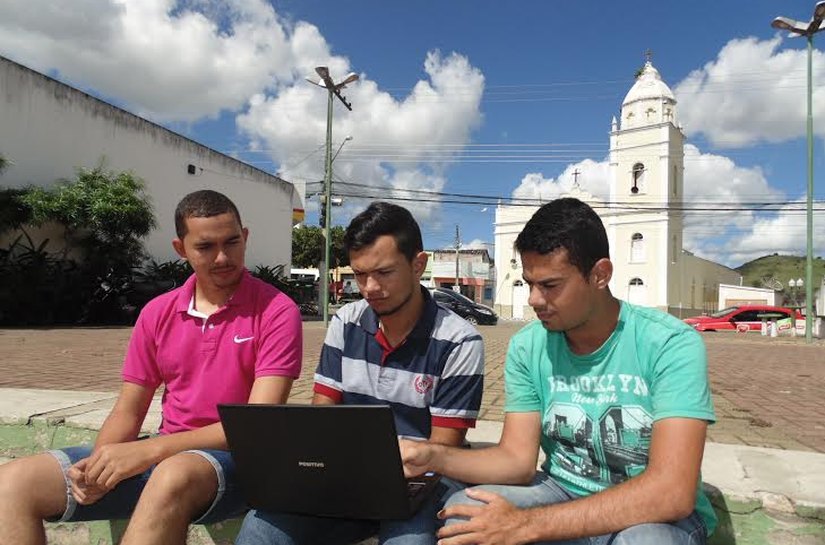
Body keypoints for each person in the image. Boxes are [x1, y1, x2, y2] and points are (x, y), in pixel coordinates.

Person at [401, 197, 716, 545]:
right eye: (529, 283)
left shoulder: (670, 343)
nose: (534, 299)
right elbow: (517, 460)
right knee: (465, 511)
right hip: (561, 490)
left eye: (550, 285)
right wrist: (433, 455)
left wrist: (526, 525)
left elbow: (671, 492)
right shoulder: (528, 345)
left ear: (600, 275)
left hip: (649, 515)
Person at [0, 189, 303, 545]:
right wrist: (99, 466)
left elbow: (256, 424)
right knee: (13, 483)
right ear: (181, 249)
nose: (223, 257)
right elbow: (129, 409)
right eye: (206, 247)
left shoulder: (277, 311)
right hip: (166, 454)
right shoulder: (157, 312)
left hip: (239, 461)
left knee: (172, 475)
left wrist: (150, 451)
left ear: (245, 237)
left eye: (232, 242)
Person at [236, 201, 486, 545]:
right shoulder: (346, 321)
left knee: (408, 542)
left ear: (418, 265)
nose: (369, 287)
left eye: (383, 273)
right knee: (260, 526)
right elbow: (323, 413)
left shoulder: (459, 340)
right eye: (359, 274)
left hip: (423, 478)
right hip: (344, 473)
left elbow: (442, 449)